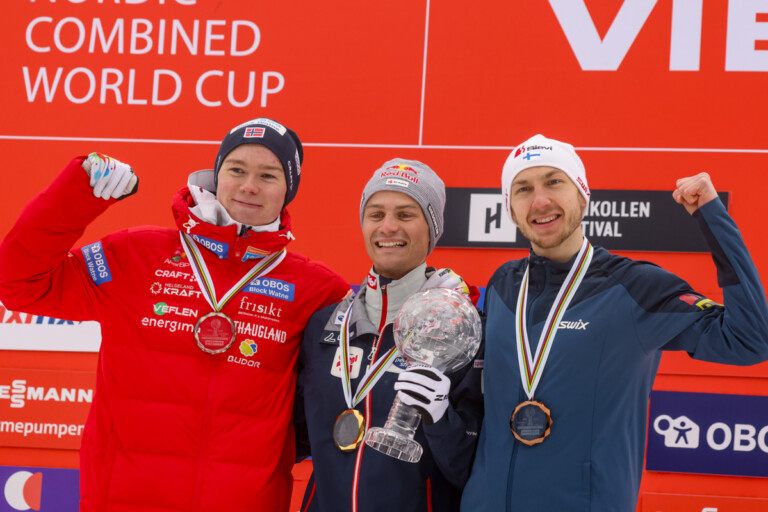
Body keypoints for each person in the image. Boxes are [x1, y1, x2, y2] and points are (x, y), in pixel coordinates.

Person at [0, 118, 350, 512]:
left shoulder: (318, 289)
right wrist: (77, 194)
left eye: (268, 175)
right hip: (123, 500)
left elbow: (326, 406)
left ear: (289, 189)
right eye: (237, 170)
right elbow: (22, 284)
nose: (249, 186)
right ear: (218, 174)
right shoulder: (135, 254)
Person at [459, 134, 768, 511]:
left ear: (582, 193)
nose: (540, 200)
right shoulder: (503, 284)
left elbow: (750, 339)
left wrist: (713, 218)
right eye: (523, 188)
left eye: (555, 181)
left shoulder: (637, 287)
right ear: (510, 207)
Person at [294, 159, 484, 512]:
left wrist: (442, 419)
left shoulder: (464, 331)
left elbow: (474, 468)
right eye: (376, 214)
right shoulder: (323, 325)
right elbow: (296, 438)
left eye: (406, 214)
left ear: (432, 229)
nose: (388, 227)